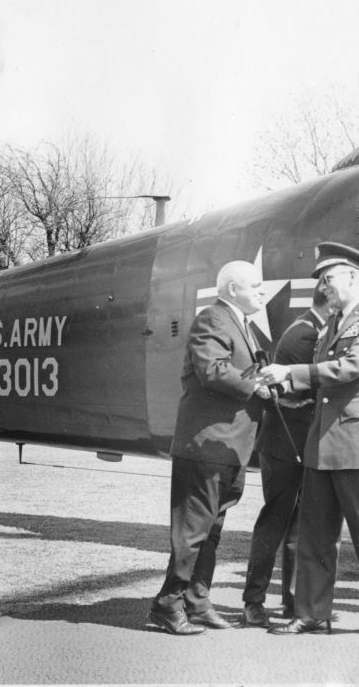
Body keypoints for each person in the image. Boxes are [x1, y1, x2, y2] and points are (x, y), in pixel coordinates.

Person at [259, 241, 359, 641]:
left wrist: (291, 374)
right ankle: (313, 613)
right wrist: (285, 388)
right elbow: (326, 384)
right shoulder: (333, 322)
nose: (323, 287)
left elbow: (349, 369)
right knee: (315, 532)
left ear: (353, 276)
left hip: (356, 441)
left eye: (328, 279)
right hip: (323, 441)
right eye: (321, 281)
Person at [147, 260, 271, 636]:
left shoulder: (239, 324)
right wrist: (256, 387)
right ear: (233, 288)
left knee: (210, 530)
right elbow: (213, 370)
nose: (263, 291)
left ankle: (197, 601)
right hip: (207, 447)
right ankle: (168, 604)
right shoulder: (214, 319)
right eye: (256, 285)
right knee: (192, 531)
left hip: (228, 447)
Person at [240, 284, 330, 628]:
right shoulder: (306, 335)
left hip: (295, 443)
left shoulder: (309, 328)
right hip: (284, 444)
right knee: (276, 521)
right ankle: (254, 600)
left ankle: (292, 601)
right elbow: (309, 390)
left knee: (295, 524)